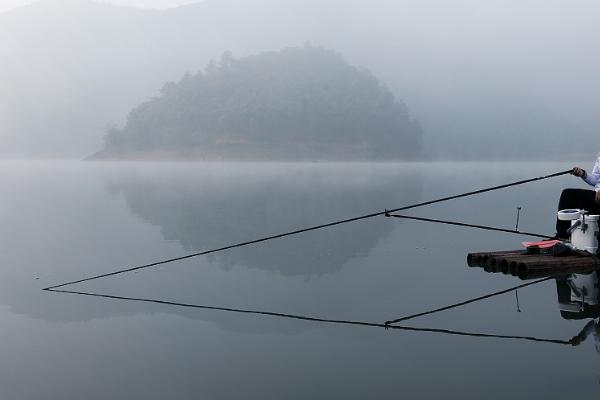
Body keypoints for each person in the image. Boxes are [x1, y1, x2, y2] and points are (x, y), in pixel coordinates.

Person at [555, 154, 600, 239]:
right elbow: (595, 180)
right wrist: (583, 174)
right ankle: (562, 236)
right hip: (597, 197)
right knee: (567, 194)